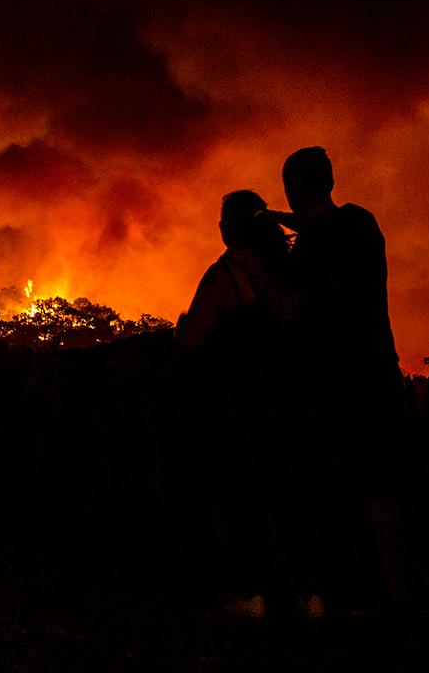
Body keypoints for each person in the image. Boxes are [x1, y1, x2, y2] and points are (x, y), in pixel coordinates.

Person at [234, 147, 408, 614]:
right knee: (384, 483)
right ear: (330, 183)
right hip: (380, 367)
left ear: (292, 187)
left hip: (342, 379)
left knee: (359, 487)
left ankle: (384, 598)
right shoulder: (362, 222)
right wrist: (275, 215)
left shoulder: (313, 247)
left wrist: (251, 263)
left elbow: (290, 311)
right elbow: (322, 225)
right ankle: (399, 588)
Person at [175, 190, 299, 619]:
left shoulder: (227, 273)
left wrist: (182, 330)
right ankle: (309, 591)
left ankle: (252, 593)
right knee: (291, 493)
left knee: (242, 495)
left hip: (234, 400)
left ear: (229, 226)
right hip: (284, 395)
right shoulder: (288, 267)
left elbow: (194, 338)